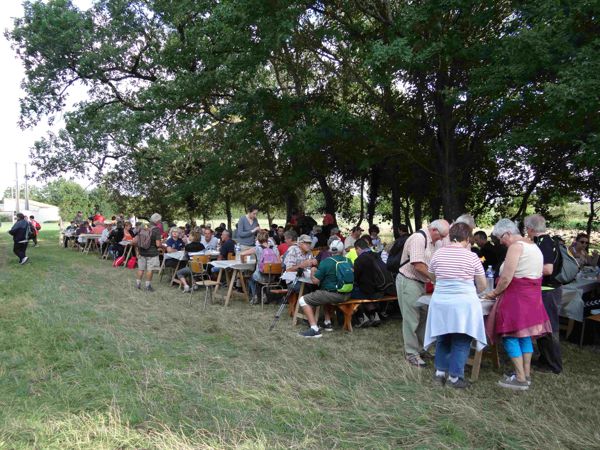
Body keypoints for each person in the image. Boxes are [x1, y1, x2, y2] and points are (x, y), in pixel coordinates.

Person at [484, 219, 552, 391]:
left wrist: (493, 293)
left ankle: (520, 379)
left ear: (507, 234)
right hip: (532, 298)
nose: (500, 242)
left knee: (509, 335)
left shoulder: (516, 247)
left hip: (517, 298)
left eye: (500, 238)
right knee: (525, 335)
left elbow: (506, 277)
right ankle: (526, 374)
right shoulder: (534, 246)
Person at [424, 222, 487, 389]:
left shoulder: (438, 254)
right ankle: (454, 378)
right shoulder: (472, 256)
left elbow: (432, 275)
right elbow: (482, 285)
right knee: (461, 339)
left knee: (442, 336)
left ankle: (439, 373)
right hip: (463, 303)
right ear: (467, 238)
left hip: (441, 302)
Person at [396, 219, 450, 367]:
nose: (443, 239)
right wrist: (436, 279)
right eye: (442, 236)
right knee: (411, 318)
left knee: (424, 317)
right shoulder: (418, 238)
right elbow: (418, 265)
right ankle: (411, 354)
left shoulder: (435, 241)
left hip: (422, 283)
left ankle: (421, 349)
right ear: (434, 231)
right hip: (409, 281)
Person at [524, 214, 563, 374]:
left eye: (526, 228)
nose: (526, 231)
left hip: (548, 292)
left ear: (531, 229)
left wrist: (526, 270)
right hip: (546, 291)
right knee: (542, 328)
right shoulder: (546, 241)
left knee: (549, 328)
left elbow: (548, 269)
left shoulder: (544, 243)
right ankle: (544, 359)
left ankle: (553, 365)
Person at [298, 240, 352, 338]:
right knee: (324, 294)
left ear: (330, 249)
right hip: (347, 294)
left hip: (333, 295)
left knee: (303, 300)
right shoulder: (348, 260)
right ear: (342, 249)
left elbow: (315, 281)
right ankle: (327, 322)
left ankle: (314, 329)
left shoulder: (326, 262)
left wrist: (313, 271)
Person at [352, 238, 396, 327]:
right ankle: (374, 315)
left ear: (358, 248)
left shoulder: (359, 260)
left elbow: (355, 278)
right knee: (364, 291)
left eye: (356, 250)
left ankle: (362, 317)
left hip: (369, 292)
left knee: (352, 292)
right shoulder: (376, 255)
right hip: (382, 289)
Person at [240, 230, 281, 304]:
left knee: (251, 278)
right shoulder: (275, 248)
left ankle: (255, 296)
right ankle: (263, 295)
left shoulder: (257, 248)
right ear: (268, 238)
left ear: (258, 239)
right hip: (273, 277)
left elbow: (242, 254)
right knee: (258, 280)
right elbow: (279, 262)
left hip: (260, 275)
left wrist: (243, 262)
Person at [134, 213, 163, 291]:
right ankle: (147, 286)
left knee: (141, 269)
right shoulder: (156, 229)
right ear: (157, 221)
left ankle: (137, 284)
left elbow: (137, 239)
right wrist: (162, 245)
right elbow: (158, 244)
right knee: (150, 270)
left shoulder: (143, 226)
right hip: (152, 253)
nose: (160, 222)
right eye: (159, 221)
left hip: (141, 251)